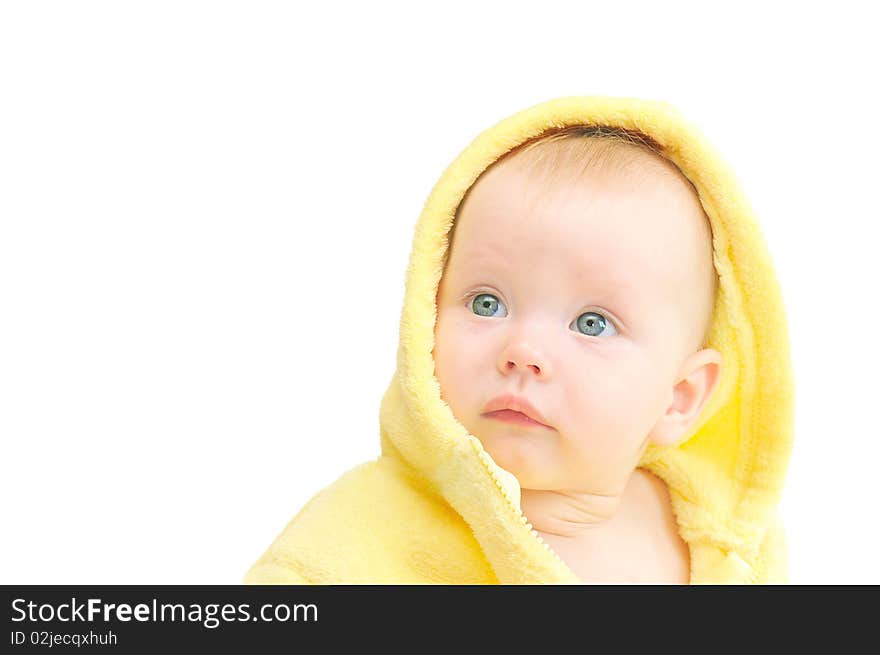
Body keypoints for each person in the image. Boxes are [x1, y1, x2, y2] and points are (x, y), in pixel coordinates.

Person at [243, 95, 794, 584]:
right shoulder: (360, 535)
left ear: (680, 398)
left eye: (592, 323)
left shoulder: (728, 547)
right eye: (488, 304)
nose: (523, 351)